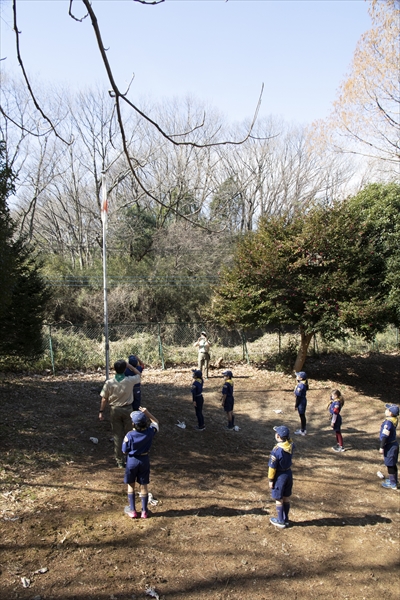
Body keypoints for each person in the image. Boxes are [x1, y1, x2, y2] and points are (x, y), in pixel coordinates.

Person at [99, 359, 142, 468]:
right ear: (125, 369)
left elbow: (104, 399)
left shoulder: (109, 382)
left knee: (117, 436)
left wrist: (101, 411)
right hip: (128, 409)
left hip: (115, 410)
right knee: (130, 434)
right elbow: (139, 374)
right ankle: (130, 457)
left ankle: (119, 461)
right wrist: (131, 367)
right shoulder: (130, 380)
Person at [122, 407, 159, 519]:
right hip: (144, 460)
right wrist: (147, 413)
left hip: (132, 461)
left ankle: (132, 510)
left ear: (133, 424)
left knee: (131, 485)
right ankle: (144, 511)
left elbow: (124, 450)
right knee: (144, 485)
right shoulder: (149, 432)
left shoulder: (129, 435)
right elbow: (156, 422)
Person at [268, 425, 295, 529]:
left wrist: (271, 480)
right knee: (286, 497)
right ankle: (286, 518)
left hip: (280, 476)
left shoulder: (276, 451)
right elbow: (291, 441)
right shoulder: (291, 445)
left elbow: (272, 467)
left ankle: (280, 520)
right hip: (288, 473)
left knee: (278, 498)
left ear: (278, 436)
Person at [379, 403, 399, 490]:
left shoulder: (388, 423)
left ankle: (393, 484)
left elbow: (384, 435)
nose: (385, 410)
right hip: (394, 444)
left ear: (390, 413)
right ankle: (394, 480)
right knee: (393, 463)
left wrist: (381, 447)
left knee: (390, 465)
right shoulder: (394, 419)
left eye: (387, 409)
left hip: (390, 446)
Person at [294, 371, 308, 436]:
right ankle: (303, 429)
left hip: (301, 402)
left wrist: (296, 405)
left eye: (298, 376)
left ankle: (303, 430)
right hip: (302, 400)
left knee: (302, 415)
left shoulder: (301, 385)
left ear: (301, 378)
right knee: (302, 415)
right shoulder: (302, 383)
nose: (296, 377)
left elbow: (298, 397)